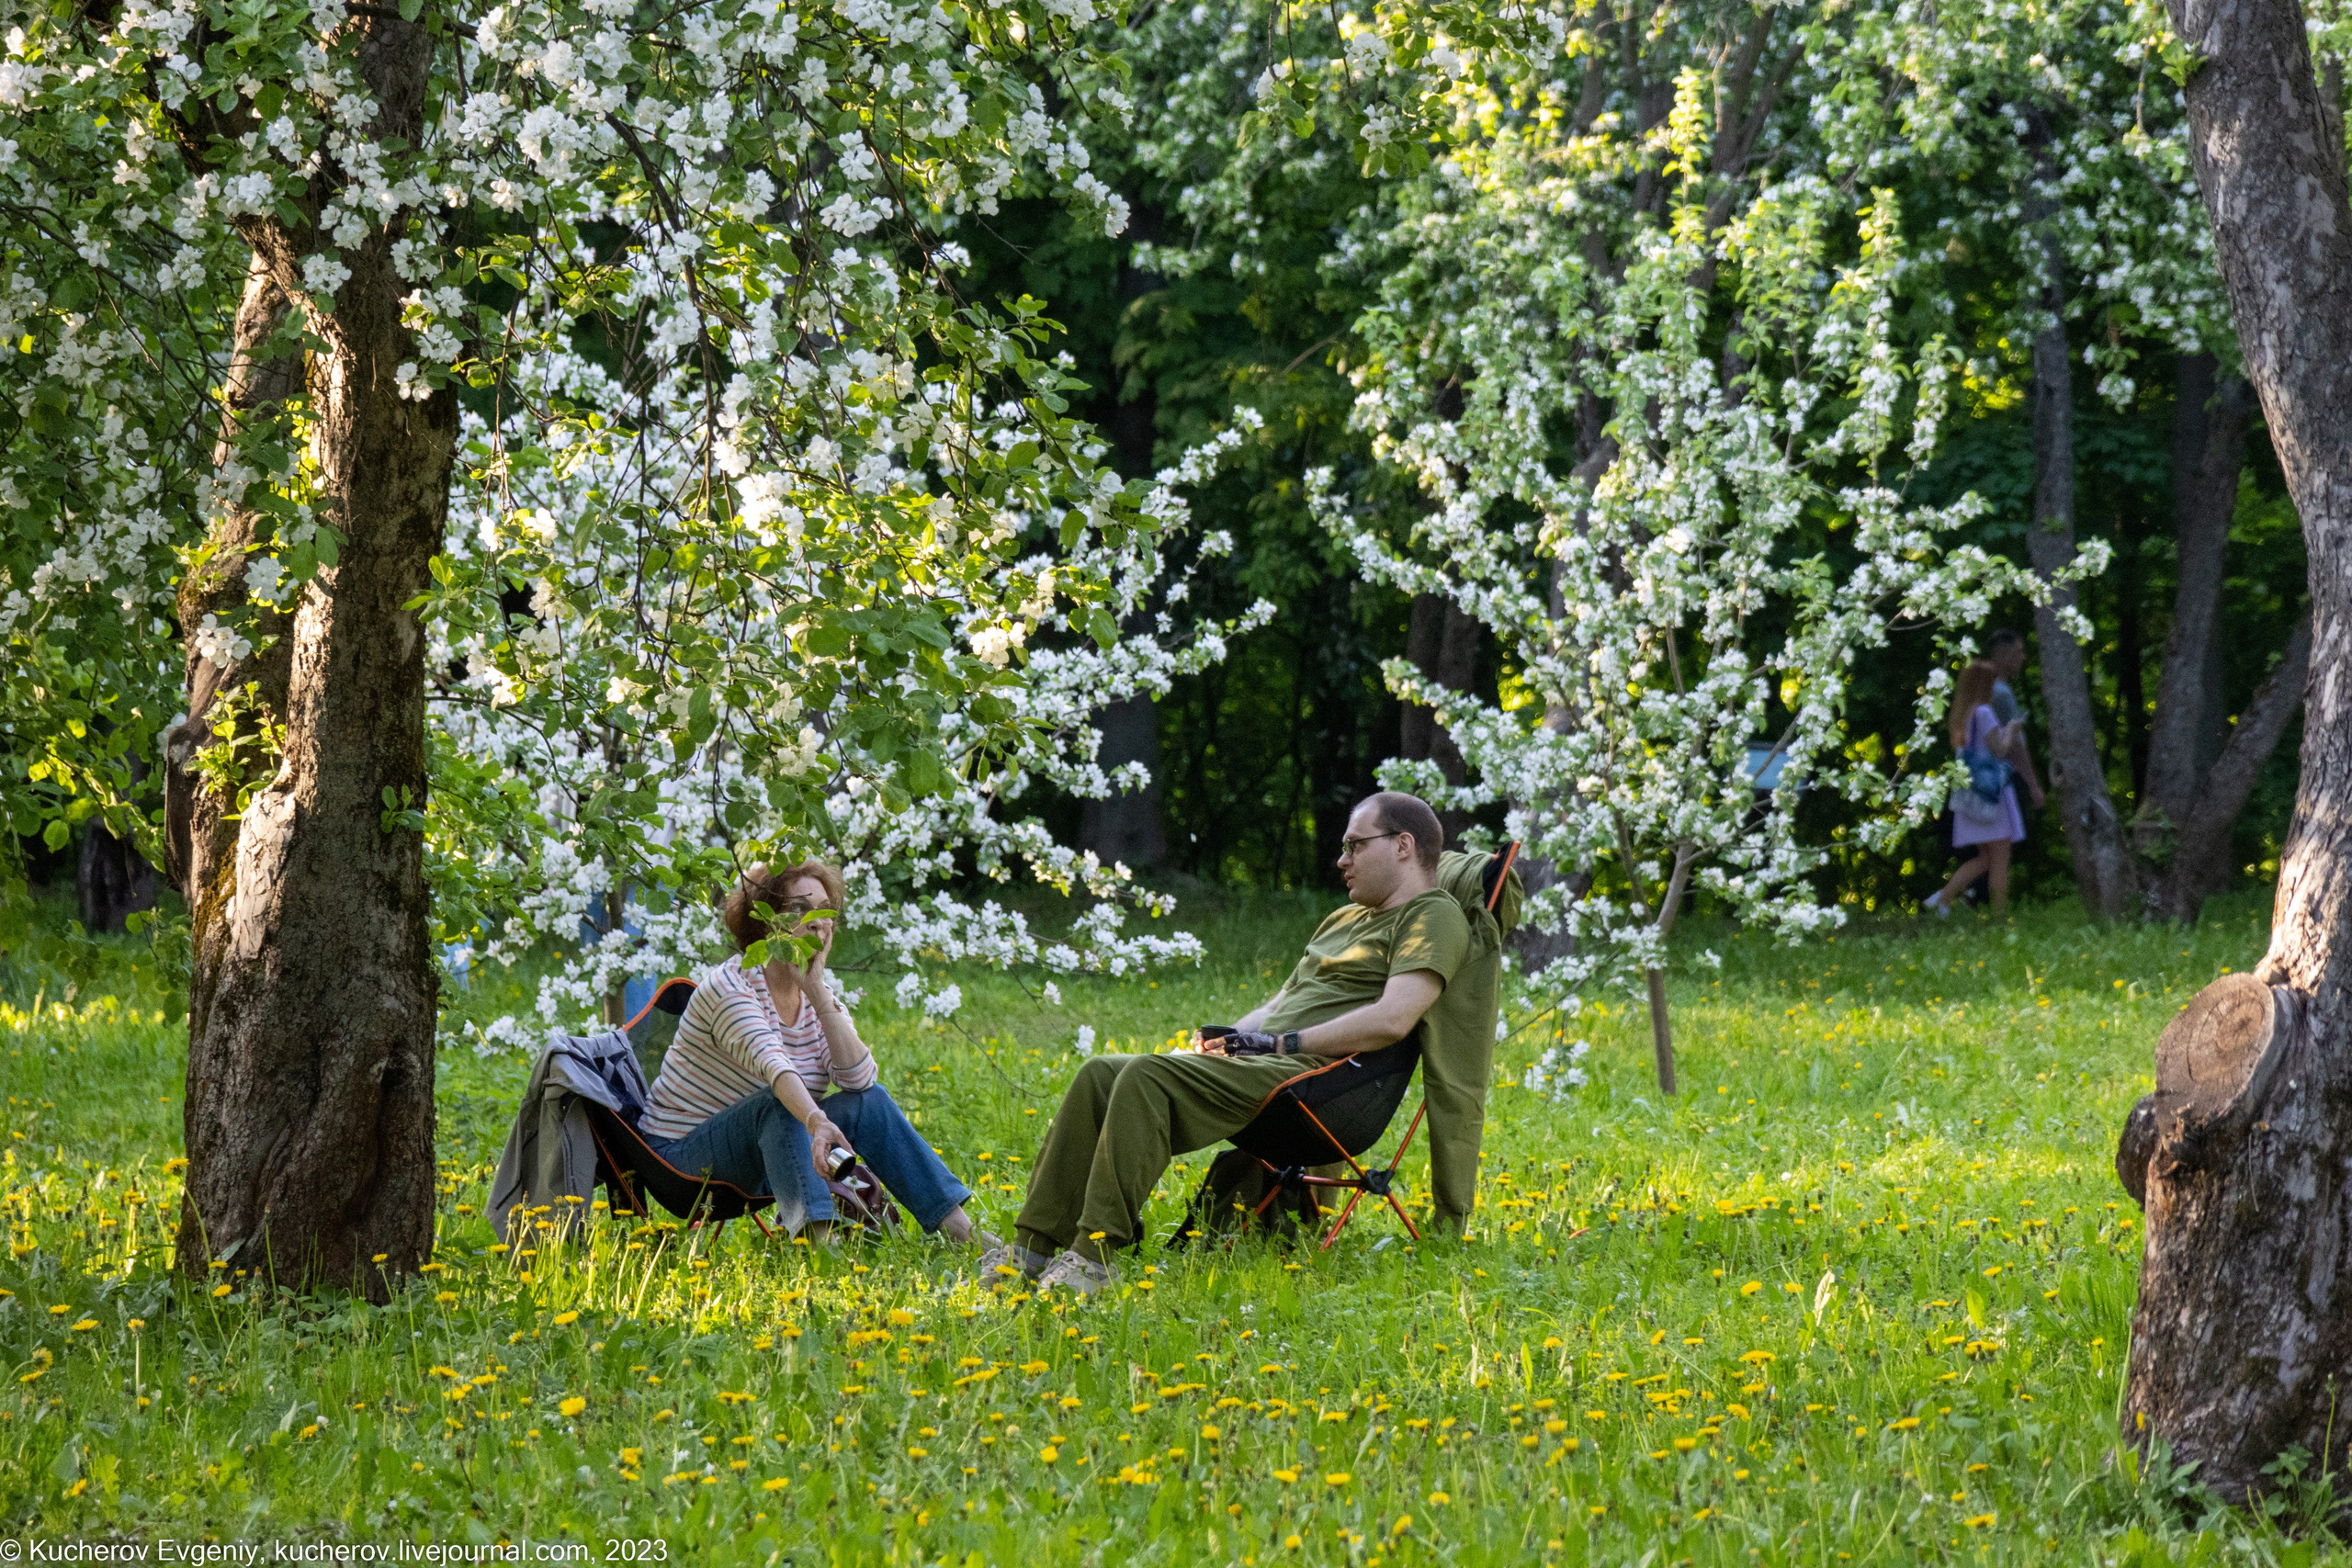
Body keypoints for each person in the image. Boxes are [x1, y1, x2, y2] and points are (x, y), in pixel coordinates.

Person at [981, 792, 1477, 1295]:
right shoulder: (1343, 920)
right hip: (1271, 1064)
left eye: (1354, 845)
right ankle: (1031, 1248)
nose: (1341, 860)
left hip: (1322, 1087)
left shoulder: (1432, 916)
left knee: (1146, 1077)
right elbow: (1279, 1003)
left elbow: (1393, 1019)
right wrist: (1226, 1044)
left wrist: (1280, 1044)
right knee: (1101, 1074)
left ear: (1403, 845)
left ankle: (1093, 1259)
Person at [639, 861, 994, 1247]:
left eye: (825, 911)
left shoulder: (814, 995)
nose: (818, 923)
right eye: (799, 910)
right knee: (780, 1104)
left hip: (765, 1152)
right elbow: (773, 1065)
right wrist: (816, 1121)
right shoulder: (729, 986)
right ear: (764, 922)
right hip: (680, 1163)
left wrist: (818, 993)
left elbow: (859, 1080)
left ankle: (962, 1232)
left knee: (869, 1102)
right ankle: (822, 1247)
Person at [1926, 662, 2028, 918]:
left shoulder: (1965, 713)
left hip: (1973, 794)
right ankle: (2000, 916)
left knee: (1985, 858)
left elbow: (1980, 747)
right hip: (1992, 794)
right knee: (2000, 859)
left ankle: (1943, 899)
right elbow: (2001, 750)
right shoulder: (1984, 712)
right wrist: (2013, 730)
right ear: (1984, 684)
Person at [1983, 629, 2048, 811]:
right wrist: (2033, 786)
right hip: (2007, 776)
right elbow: (2015, 745)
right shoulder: (2000, 694)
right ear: (2003, 656)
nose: (2023, 657)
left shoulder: (1986, 688)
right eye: (2018, 652)